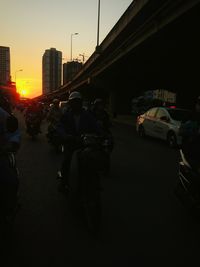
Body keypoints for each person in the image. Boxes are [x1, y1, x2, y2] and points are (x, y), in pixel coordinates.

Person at [56, 91, 101, 190]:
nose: (76, 104)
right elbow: (60, 126)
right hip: (71, 143)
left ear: (81, 103)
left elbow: (95, 125)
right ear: (70, 104)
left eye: (78, 102)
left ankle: (94, 181)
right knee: (66, 160)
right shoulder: (66, 115)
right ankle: (63, 182)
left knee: (93, 158)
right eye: (73, 102)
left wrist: (100, 133)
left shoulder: (87, 115)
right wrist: (65, 135)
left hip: (84, 143)